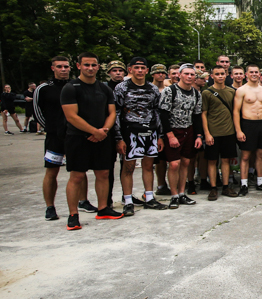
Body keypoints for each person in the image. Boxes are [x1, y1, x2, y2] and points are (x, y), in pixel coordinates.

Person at [60, 52, 123, 229]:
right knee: (77, 176)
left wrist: (103, 131)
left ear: (98, 67)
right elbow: (71, 116)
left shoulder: (104, 89)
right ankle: (73, 215)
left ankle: (103, 209)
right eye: (86, 65)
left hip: (102, 137)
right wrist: (94, 131)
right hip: (78, 138)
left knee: (103, 173)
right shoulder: (71, 88)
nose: (90, 68)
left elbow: (112, 113)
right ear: (79, 66)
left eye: (93, 65)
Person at [112, 58, 166, 215]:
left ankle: (149, 197)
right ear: (130, 69)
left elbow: (157, 112)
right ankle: (128, 201)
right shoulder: (122, 88)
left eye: (143, 68)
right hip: (130, 131)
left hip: (150, 131)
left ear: (147, 70)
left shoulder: (152, 89)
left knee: (148, 166)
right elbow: (116, 112)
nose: (140, 71)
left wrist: (160, 135)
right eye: (137, 68)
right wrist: (118, 138)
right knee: (128, 167)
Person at [158, 64, 204, 208]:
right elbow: (163, 114)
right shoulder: (170, 91)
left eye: (192, 74)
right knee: (174, 164)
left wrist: (198, 135)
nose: (189, 77)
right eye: (186, 74)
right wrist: (169, 135)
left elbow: (197, 115)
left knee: (186, 162)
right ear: (179, 75)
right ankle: (174, 195)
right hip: (173, 130)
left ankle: (182, 193)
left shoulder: (196, 93)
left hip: (188, 130)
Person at [34, 56, 72, 220]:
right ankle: (50, 207)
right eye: (59, 66)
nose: (63, 69)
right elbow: (37, 112)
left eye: (66, 66)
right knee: (51, 171)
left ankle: (83, 201)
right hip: (54, 137)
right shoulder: (43, 88)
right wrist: (51, 128)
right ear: (53, 68)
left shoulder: (74, 85)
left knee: (78, 171)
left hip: (74, 136)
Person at [233, 64, 262, 195]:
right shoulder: (241, 90)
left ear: (259, 74)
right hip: (248, 124)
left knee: (261, 154)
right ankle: (244, 184)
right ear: (246, 74)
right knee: (246, 155)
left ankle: (260, 182)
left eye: (256, 72)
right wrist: (238, 130)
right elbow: (236, 111)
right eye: (251, 72)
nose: (254, 74)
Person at [201, 64, 239, 200]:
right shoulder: (206, 93)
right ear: (212, 76)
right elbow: (204, 114)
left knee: (226, 160)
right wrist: (207, 133)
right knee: (212, 161)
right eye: (217, 74)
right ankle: (213, 188)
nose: (220, 76)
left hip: (228, 132)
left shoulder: (231, 91)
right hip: (213, 133)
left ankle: (225, 186)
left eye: (222, 74)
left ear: (226, 75)